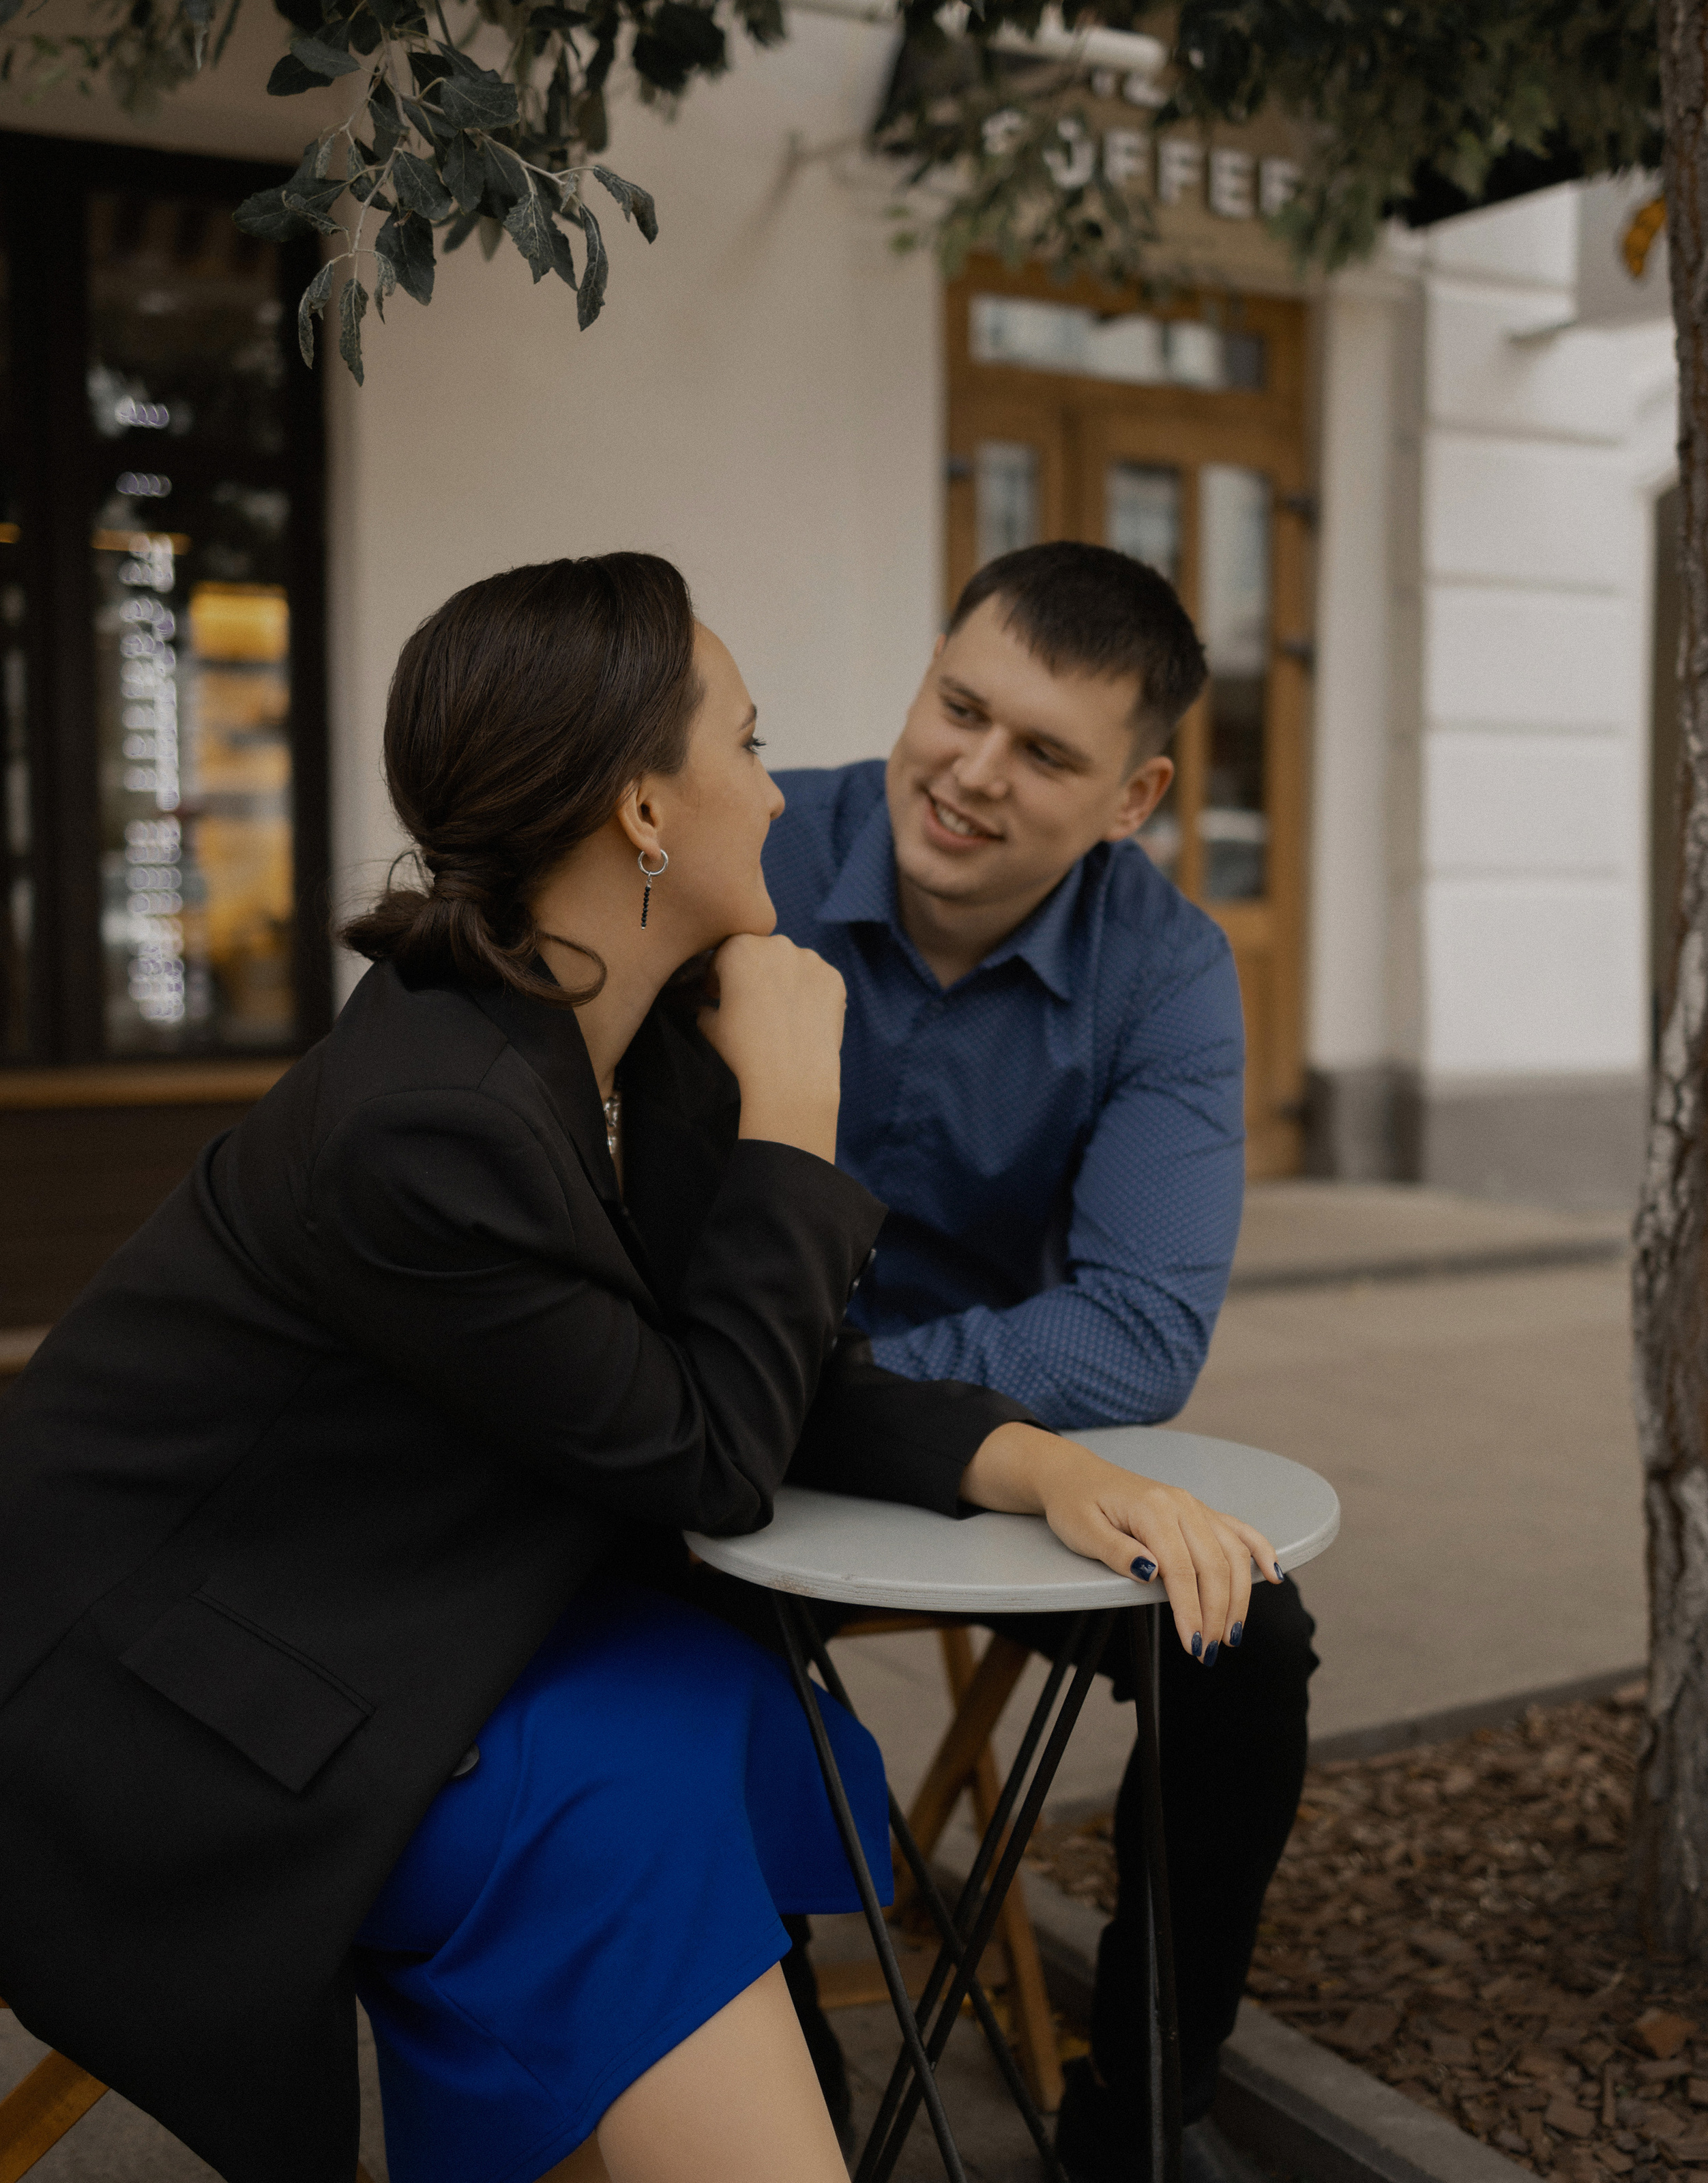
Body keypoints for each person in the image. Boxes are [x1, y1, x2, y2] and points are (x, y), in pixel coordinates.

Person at [0, 551, 1283, 2183]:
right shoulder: (436, 1115)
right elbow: (708, 1452)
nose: (786, 795)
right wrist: (797, 1113)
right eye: (749, 748)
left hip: (422, 1591)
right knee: (664, 1742)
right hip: (205, 1688)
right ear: (642, 816)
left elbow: (767, 1369)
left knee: (725, 1704)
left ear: (1131, 794)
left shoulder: (620, 1036)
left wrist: (1054, 1466)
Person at [757, 541, 1320, 2183]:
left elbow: (1143, 1324)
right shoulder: (758, 853)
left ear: (1133, 793)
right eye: (957, 708)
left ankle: (1140, 2113)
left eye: (1045, 755)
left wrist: (851, 1392)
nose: (970, 774)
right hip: (715, 1435)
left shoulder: (1162, 967)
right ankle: (774, 2094)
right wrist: (765, 1391)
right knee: (671, 1643)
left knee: (1247, 1644)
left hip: (975, 1458)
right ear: (929, 670)